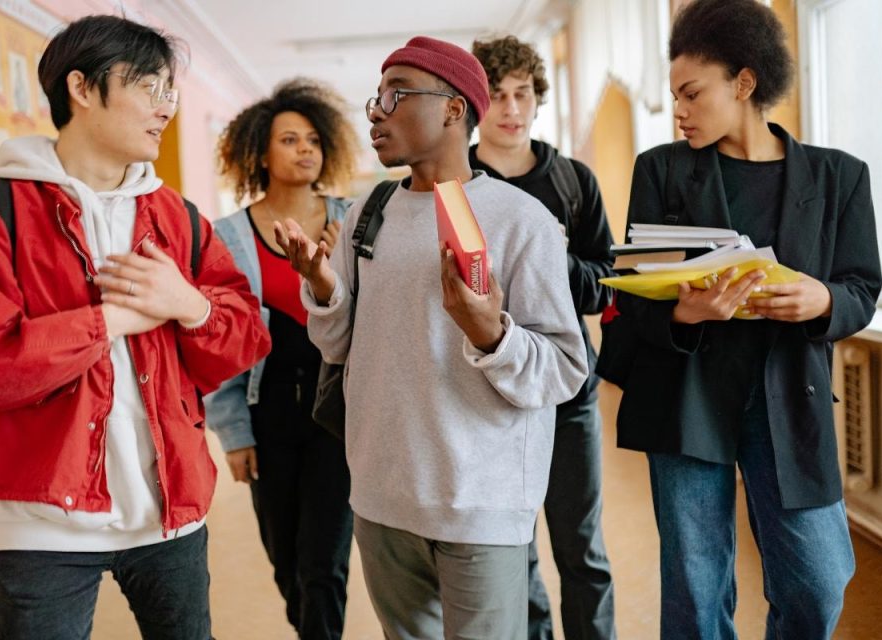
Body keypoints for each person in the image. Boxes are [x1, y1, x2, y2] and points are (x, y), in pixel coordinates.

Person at [0, 15, 270, 639]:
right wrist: (115, 317)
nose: (164, 106)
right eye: (148, 85)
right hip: (39, 518)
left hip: (171, 508)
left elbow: (245, 335)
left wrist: (188, 305)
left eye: (170, 90)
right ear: (82, 88)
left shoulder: (177, 216)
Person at [276, 36, 589, 638]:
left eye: (396, 95)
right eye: (376, 97)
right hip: (381, 497)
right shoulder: (370, 213)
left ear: (453, 108)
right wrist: (321, 286)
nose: (376, 111)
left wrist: (491, 333)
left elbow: (563, 368)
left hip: (481, 504)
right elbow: (339, 347)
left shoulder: (520, 219)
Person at [608, 1, 882, 638]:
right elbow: (634, 295)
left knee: (817, 582)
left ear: (745, 82)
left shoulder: (841, 178)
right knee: (695, 590)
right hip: (687, 394)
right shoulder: (661, 170)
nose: (679, 111)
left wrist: (823, 301)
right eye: (674, 96)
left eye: (692, 93)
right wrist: (685, 310)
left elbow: (860, 289)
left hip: (788, 396)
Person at [470, 35, 616, 640]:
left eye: (522, 93)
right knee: (514, 544)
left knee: (581, 546)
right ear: (475, 104)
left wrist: (553, 256)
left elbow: (607, 286)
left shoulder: (574, 181)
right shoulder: (455, 184)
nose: (510, 107)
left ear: (537, 98)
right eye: (497, 95)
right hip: (487, 391)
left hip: (567, 388)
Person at [205, 78, 359, 640]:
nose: (305, 150)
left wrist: (345, 269)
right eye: (289, 140)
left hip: (337, 417)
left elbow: (380, 320)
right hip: (265, 413)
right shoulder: (227, 236)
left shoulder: (356, 219)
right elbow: (218, 342)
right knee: (285, 558)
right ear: (259, 154)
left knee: (324, 562)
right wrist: (233, 433)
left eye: (313, 140)